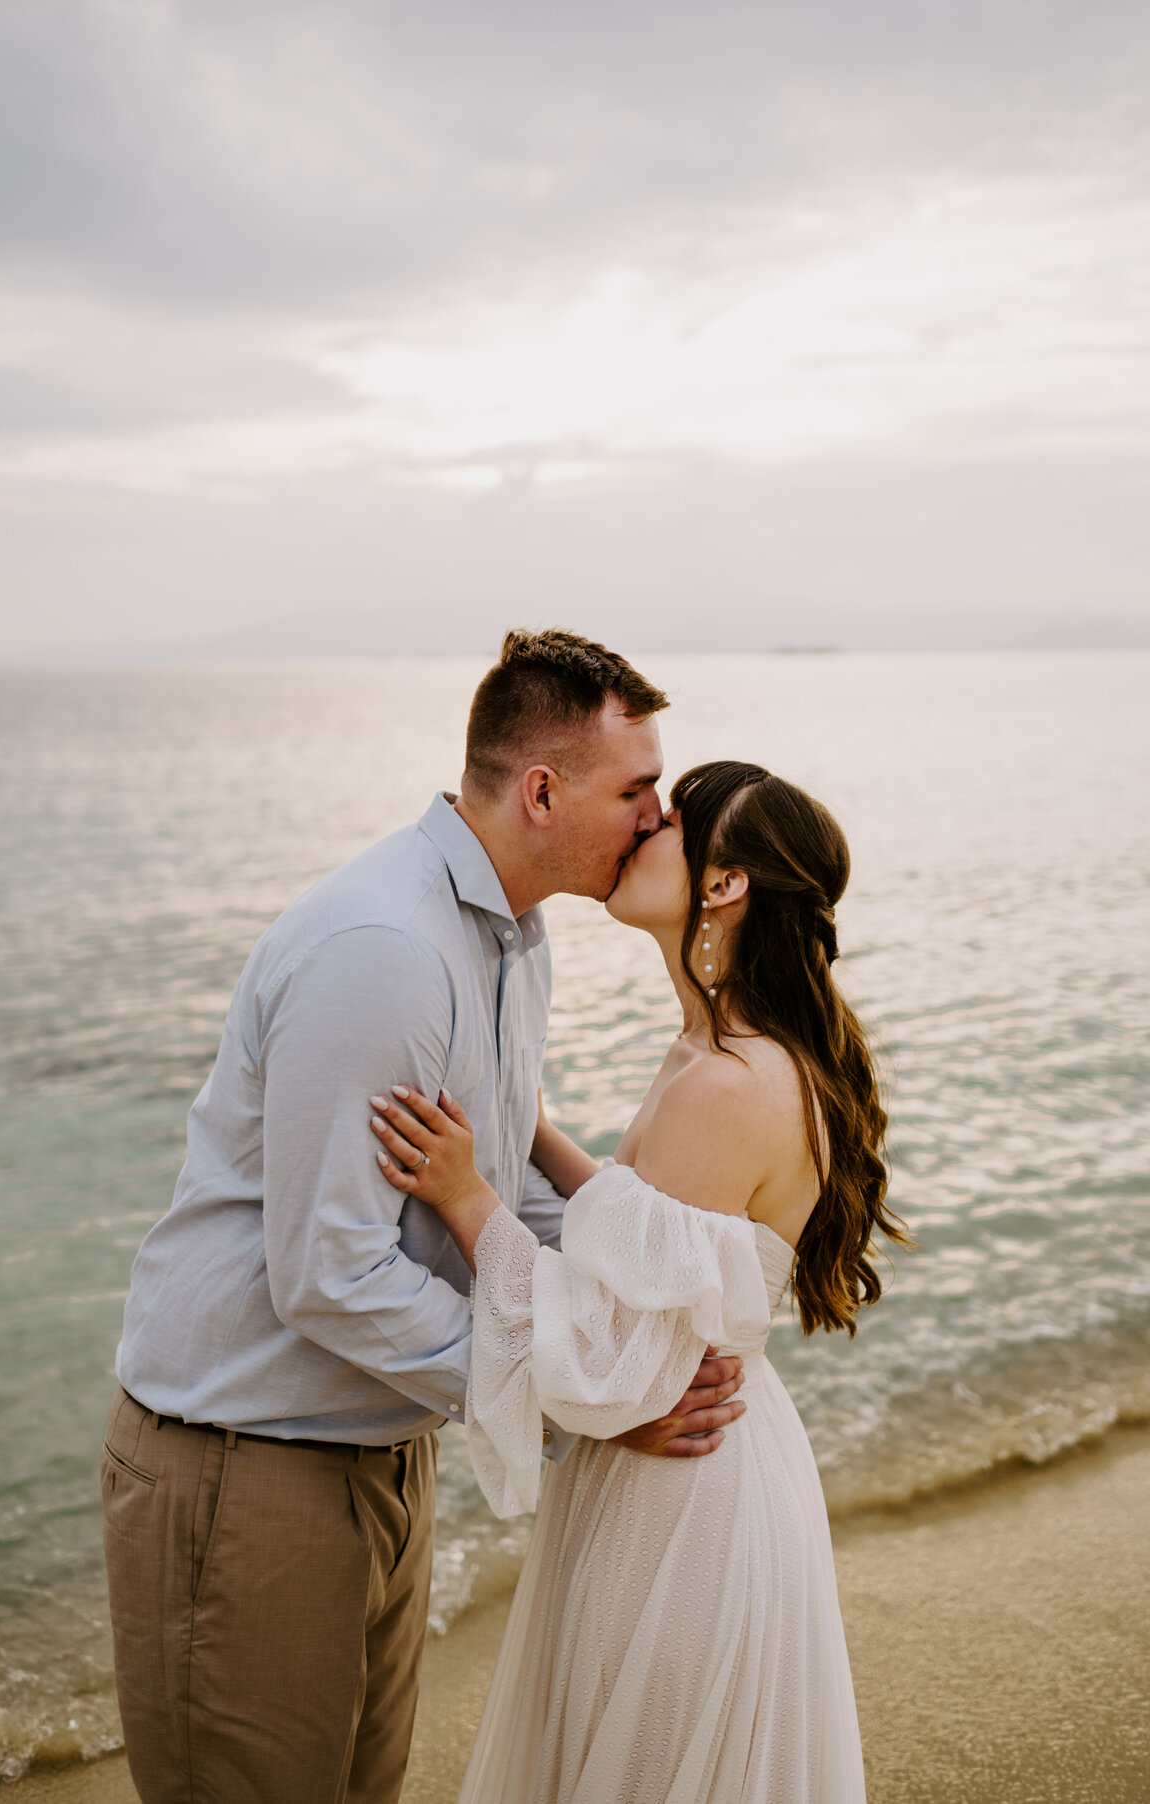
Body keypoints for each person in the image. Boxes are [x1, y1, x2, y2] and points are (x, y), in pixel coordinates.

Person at [100, 631, 748, 1804]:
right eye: (637, 789)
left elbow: (502, 1183)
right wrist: (580, 1402)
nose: (658, 820)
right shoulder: (387, 949)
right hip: (247, 1469)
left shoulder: (517, 937)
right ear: (542, 790)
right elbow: (330, 1275)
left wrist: (635, 1343)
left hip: (382, 1455)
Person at [372, 759, 910, 1804]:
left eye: (668, 820)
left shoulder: (725, 1081)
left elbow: (607, 1354)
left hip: (683, 1492)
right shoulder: (724, 1049)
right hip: (703, 1456)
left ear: (724, 884)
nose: (641, 828)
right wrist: (526, 1127)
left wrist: (464, 1193)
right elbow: (640, 1222)